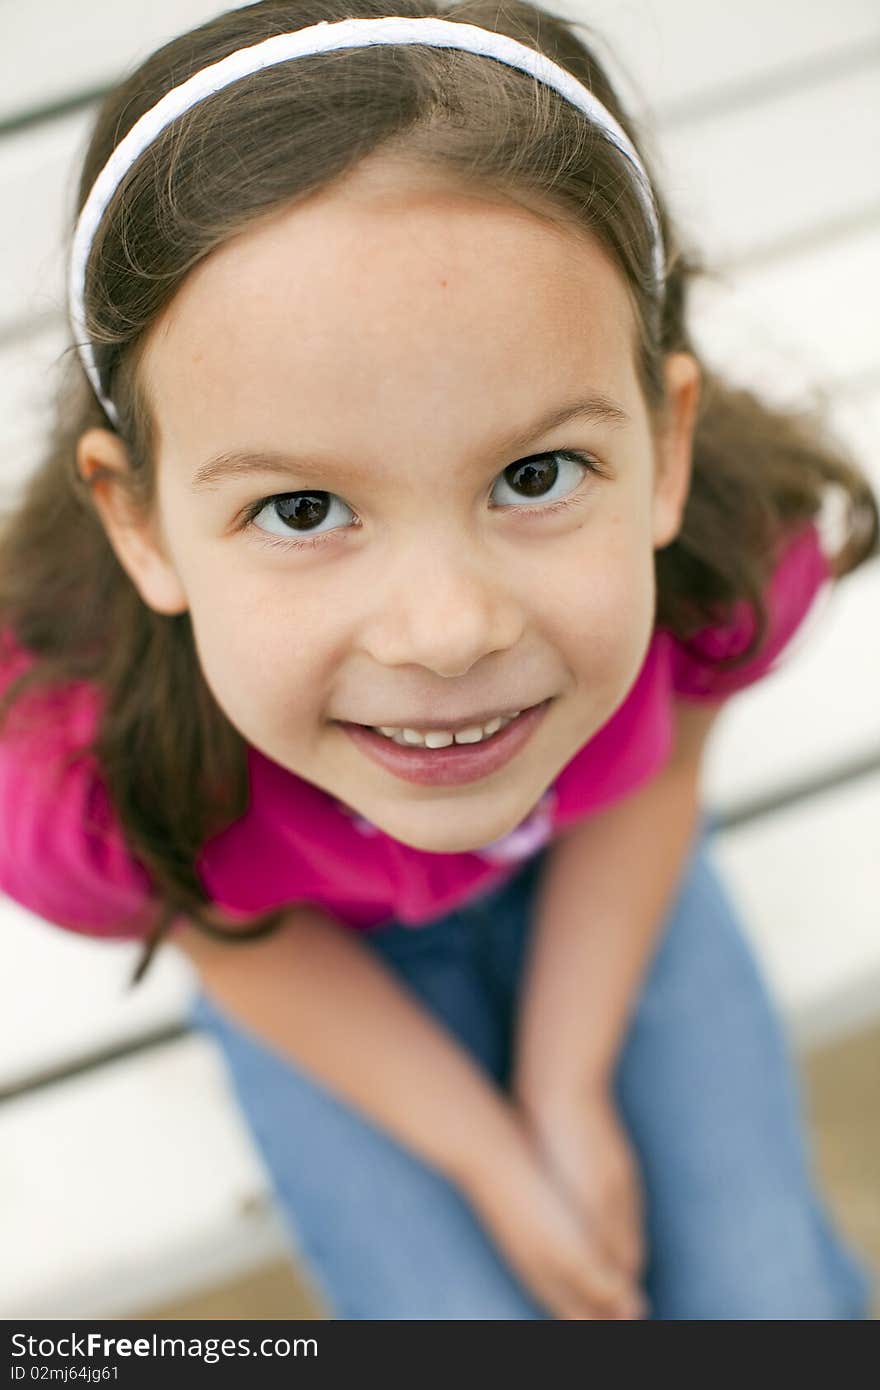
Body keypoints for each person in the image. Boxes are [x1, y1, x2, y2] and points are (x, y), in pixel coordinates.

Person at [0, 0, 876, 1320]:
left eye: (535, 473)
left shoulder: (710, 563)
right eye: (302, 509)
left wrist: (567, 1079)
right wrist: (495, 1152)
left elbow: (653, 767)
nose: (448, 630)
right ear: (140, 521)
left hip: (601, 863)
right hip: (313, 956)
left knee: (771, 1299)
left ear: (664, 442)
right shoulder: (95, 779)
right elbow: (234, 934)